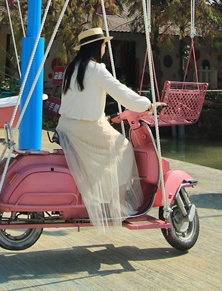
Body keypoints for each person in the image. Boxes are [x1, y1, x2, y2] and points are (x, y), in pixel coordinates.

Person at [56, 26, 158, 232]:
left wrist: (109, 117)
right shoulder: (96, 69)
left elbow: (82, 102)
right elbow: (121, 93)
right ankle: (117, 205)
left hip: (67, 126)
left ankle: (108, 199)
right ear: (97, 47)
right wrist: (147, 105)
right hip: (87, 128)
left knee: (111, 151)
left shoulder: (73, 68)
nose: (104, 49)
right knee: (124, 148)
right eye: (103, 44)